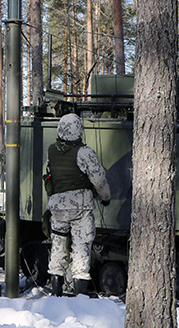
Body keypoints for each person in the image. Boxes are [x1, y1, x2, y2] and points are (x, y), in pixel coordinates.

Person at [45, 113, 111, 296]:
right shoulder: (85, 152)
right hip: (80, 208)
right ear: (78, 130)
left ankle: (56, 293)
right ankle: (79, 296)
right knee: (81, 247)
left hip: (57, 207)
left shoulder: (51, 150)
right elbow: (99, 180)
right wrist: (106, 197)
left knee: (58, 248)